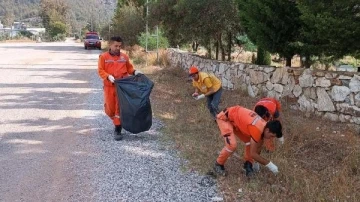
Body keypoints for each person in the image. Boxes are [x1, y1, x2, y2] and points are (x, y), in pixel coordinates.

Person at [213, 106, 283, 177]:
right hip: (225, 118)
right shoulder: (257, 129)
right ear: (267, 130)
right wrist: (270, 165)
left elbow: (258, 146)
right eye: (272, 136)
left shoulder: (264, 126)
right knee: (232, 145)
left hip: (235, 120)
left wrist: (255, 162)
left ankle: (248, 165)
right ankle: (218, 165)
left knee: (250, 142)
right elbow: (253, 154)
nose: (271, 138)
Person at [98, 36, 142, 141]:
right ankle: (116, 122)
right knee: (110, 109)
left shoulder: (124, 57)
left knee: (119, 108)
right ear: (110, 45)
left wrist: (135, 72)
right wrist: (108, 76)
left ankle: (118, 129)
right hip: (109, 86)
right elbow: (100, 70)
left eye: (119, 46)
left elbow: (129, 68)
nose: (118, 48)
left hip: (122, 87)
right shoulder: (103, 57)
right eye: (116, 46)